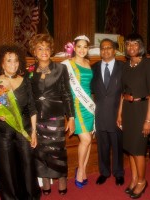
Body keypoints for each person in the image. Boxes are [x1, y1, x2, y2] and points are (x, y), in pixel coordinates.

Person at [0, 45, 41, 199]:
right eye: (9, 61)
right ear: (2, 63)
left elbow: (32, 107)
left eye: (16, 60)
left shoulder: (25, 81)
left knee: (27, 166)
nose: (13, 64)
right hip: (2, 133)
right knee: (6, 169)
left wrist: (33, 132)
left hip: (23, 130)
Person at [28, 34, 75, 195]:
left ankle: (62, 181)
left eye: (47, 48)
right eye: (40, 48)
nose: (44, 51)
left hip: (56, 117)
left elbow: (67, 94)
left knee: (57, 152)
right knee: (41, 152)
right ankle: (46, 184)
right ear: (34, 51)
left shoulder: (61, 69)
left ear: (51, 51)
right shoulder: (29, 71)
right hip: (37, 119)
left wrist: (71, 118)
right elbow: (28, 97)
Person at [117, 33, 150, 199]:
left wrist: (149, 120)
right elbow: (123, 92)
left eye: (135, 44)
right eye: (128, 44)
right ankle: (134, 178)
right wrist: (119, 114)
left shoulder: (148, 64)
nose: (131, 47)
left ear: (140, 46)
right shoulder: (126, 66)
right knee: (130, 149)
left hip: (142, 110)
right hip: (127, 110)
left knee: (139, 150)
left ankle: (142, 181)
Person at [61, 35, 95, 189]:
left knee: (88, 141)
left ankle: (83, 169)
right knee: (86, 139)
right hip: (76, 106)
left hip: (89, 106)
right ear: (74, 47)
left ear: (88, 49)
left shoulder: (88, 63)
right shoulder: (67, 64)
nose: (82, 49)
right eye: (79, 46)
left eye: (85, 47)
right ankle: (80, 170)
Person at [91, 38, 125, 186]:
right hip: (99, 115)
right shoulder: (93, 68)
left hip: (117, 114)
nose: (105, 50)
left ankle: (119, 173)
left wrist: (122, 114)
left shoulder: (123, 67)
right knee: (102, 147)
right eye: (102, 48)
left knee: (117, 146)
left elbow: (126, 91)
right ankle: (104, 172)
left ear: (115, 50)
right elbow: (91, 91)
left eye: (109, 47)